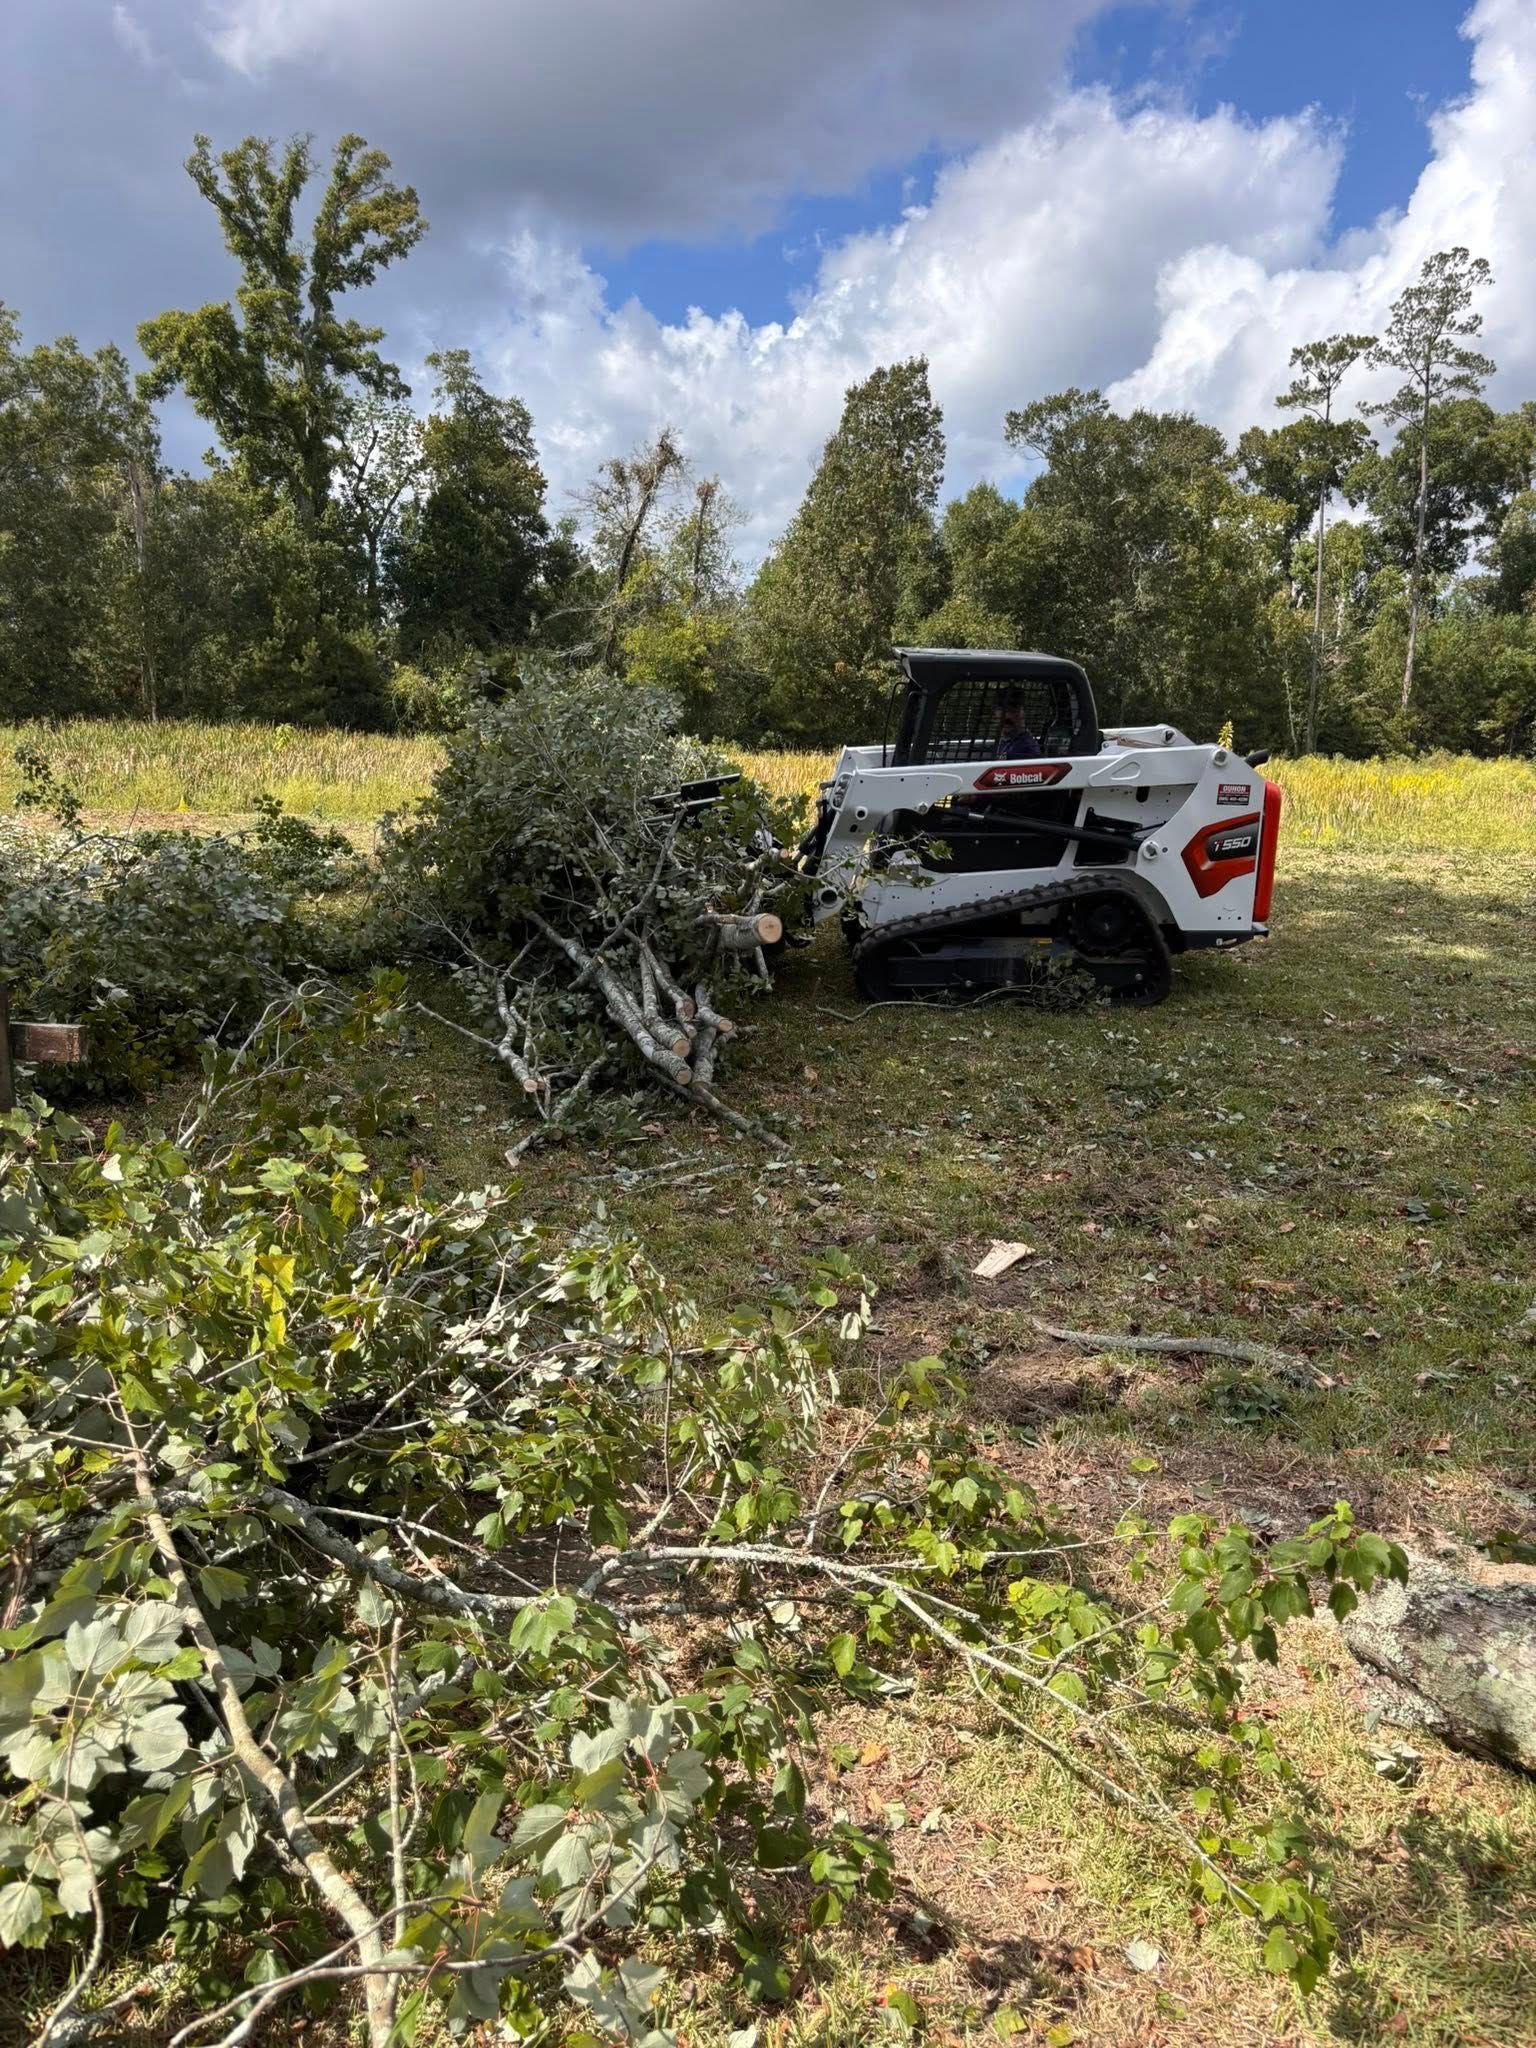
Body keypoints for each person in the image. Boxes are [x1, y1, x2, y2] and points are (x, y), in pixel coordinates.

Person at [995, 689, 1041, 758]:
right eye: (1000, 710)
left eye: (1012, 710)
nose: (1007, 715)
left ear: (1022, 713)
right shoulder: (1006, 741)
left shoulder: (1025, 749)